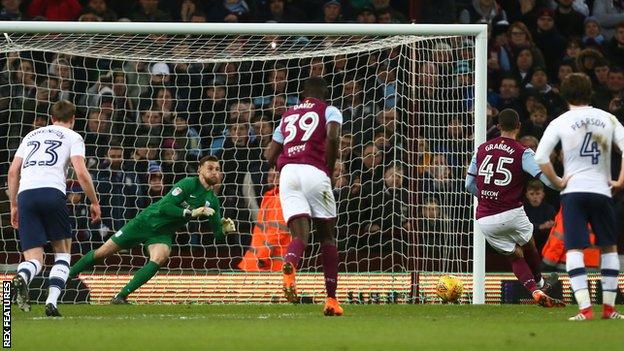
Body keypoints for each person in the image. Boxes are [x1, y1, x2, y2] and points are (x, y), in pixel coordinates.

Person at [68, 155, 236, 304]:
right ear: (200, 169)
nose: (215, 172)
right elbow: (164, 207)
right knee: (102, 253)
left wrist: (225, 231)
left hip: (162, 233)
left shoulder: (212, 200)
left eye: (218, 169)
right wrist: (191, 212)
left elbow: (217, 234)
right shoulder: (187, 184)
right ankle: (65, 277)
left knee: (160, 258)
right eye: (210, 168)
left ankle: (121, 296)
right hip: (144, 223)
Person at [535, 72, 624, 320]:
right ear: (591, 92)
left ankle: (585, 309)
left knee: (574, 249)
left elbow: (541, 157)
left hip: (573, 192)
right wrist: (620, 181)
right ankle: (609, 309)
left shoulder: (561, 121)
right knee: (609, 248)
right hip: (601, 190)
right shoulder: (608, 118)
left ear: (564, 94)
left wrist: (558, 181)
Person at [8, 100, 101, 317]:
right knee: (62, 254)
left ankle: (23, 275)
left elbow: (13, 172)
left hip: (25, 195)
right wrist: (94, 201)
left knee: (34, 259)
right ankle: (51, 302)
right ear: (73, 120)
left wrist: (13, 205)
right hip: (52, 193)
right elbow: (80, 171)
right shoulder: (73, 136)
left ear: (51, 119)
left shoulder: (31, 136)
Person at [465, 108, 565, 309]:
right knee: (528, 245)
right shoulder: (523, 152)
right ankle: (539, 281)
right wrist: (563, 184)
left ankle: (535, 291)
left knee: (513, 256)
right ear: (518, 127)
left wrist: (486, 198)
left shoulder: (481, 149)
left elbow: (468, 185)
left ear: (498, 127)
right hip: (511, 212)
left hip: (485, 218)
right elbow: (544, 179)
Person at [265, 77, 343, 316]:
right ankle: (331, 299)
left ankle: (290, 263)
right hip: (314, 171)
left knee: (299, 235)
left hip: (287, 173)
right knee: (327, 237)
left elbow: (269, 155)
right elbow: (331, 135)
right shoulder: (330, 110)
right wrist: (329, 168)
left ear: (303, 95)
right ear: (325, 94)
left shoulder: (287, 115)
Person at [238, 168, 291, 272]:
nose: (271, 178)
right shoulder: (271, 197)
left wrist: (262, 257)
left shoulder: (280, 199)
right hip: (261, 262)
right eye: (270, 175)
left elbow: (278, 231)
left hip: (268, 265)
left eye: (275, 175)